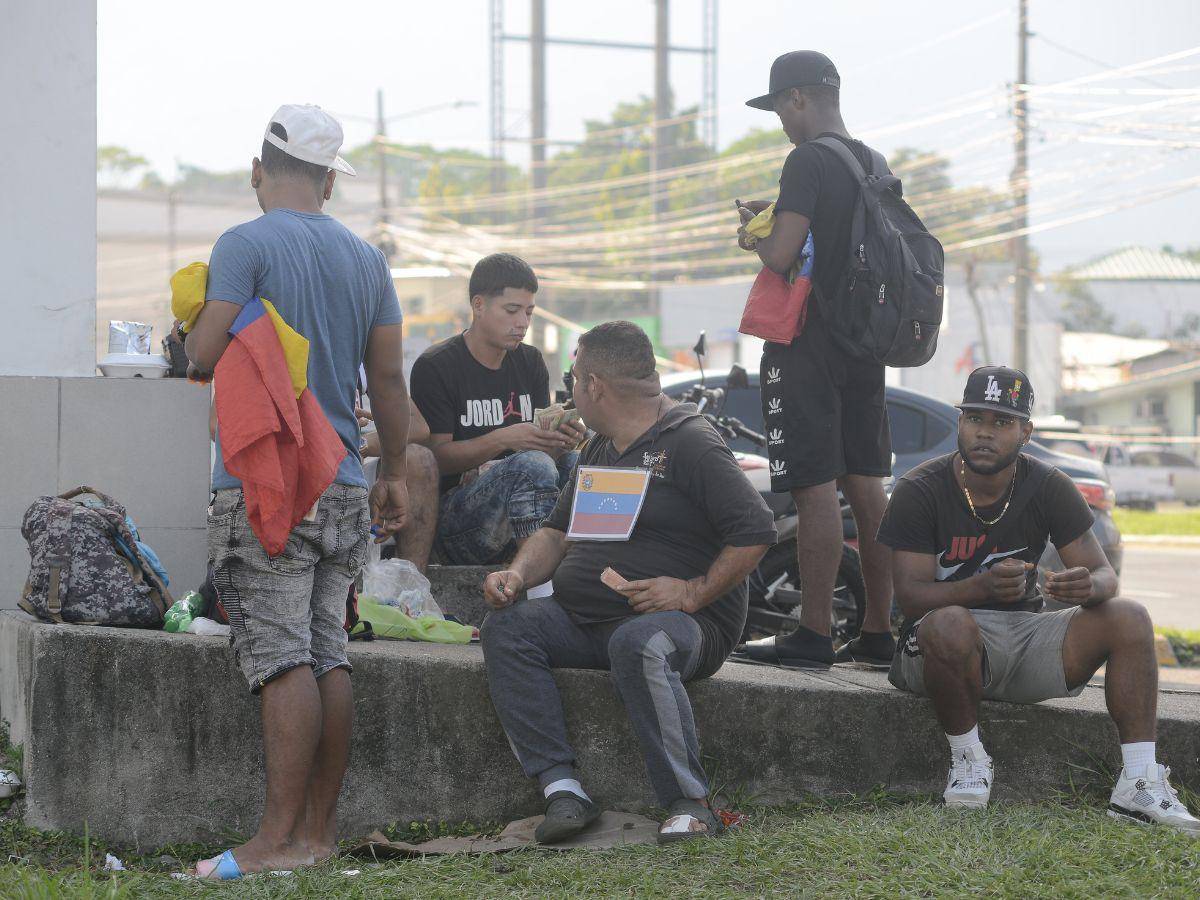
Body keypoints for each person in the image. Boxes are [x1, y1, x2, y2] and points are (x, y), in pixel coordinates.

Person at [183, 104, 411, 877]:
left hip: (269, 485)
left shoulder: (243, 243)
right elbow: (387, 381)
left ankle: (274, 843)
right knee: (327, 652)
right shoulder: (367, 259)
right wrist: (399, 473)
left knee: (282, 657)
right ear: (329, 182)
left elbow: (203, 354)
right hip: (345, 477)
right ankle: (316, 834)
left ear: (258, 171)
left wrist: (196, 320)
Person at [480, 321, 777, 844]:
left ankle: (690, 803)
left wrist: (691, 592)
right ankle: (563, 789)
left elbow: (755, 530)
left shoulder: (690, 441)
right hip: (590, 619)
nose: (570, 392)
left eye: (573, 379)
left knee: (637, 643)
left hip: (686, 624)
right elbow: (556, 532)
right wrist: (517, 574)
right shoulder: (602, 446)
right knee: (509, 629)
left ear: (594, 385)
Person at [878, 366, 1199, 832]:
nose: (985, 432)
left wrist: (1087, 587)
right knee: (950, 622)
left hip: (1023, 638)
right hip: (935, 643)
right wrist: (980, 587)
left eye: (1002, 422)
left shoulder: (1047, 484)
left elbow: (1104, 573)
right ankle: (968, 758)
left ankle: (1139, 782)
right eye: (975, 418)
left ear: (1026, 431)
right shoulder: (919, 488)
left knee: (1128, 616)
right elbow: (909, 600)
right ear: (960, 423)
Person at [732, 50, 897, 670]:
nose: (780, 120)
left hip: (808, 338)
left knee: (812, 486)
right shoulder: (870, 161)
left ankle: (814, 633)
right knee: (865, 482)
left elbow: (781, 255)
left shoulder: (806, 160)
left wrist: (754, 231)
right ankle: (879, 632)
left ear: (797, 98)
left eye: (778, 106)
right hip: (865, 341)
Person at [409, 253, 584, 567]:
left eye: (529, 312)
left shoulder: (530, 362)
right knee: (531, 465)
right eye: (512, 310)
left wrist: (562, 438)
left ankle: (583, 566)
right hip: (458, 520)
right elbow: (435, 458)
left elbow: (543, 455)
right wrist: (503, 439)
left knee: (577, 464)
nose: (522, 323)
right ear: (478, 305)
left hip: (525, 500)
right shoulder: (437, 366)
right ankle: (537, 581)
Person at [356, 397, 439, 573]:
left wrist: (361, 443)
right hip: (317, 466)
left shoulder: (367, 369)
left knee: (419, 460)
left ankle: (409, 590)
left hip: (360, 464)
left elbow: (419, 428)